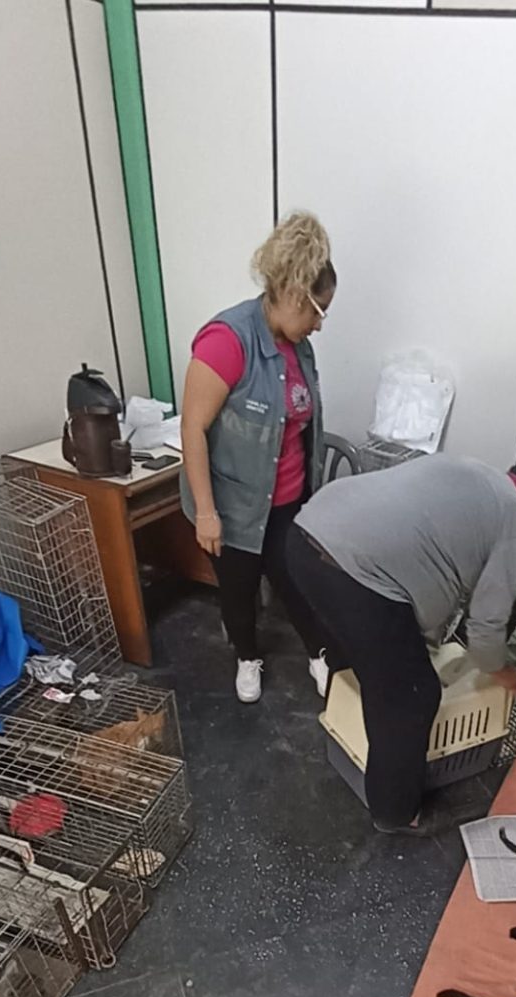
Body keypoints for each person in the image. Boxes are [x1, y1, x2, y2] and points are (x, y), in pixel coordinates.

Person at [286, 455, 516, 835]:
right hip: (351, 570)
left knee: (375, 666)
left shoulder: (477, 473)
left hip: (305, 536)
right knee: (413, 696)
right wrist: (505, 673)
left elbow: (424, 560)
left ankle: (358, 748)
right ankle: (397, 814)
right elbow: (485, 634)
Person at [180, 211, 336, 705]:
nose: (319, 325)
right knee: (239, 589)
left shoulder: (298, 346)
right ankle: (247, 657)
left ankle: (321, 656)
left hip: (287, 497)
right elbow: (192, 428)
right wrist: (207, 513)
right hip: (233, 504)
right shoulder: (227, 340)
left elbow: (300, 424)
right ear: (294, 295)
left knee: (299, 582)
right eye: (318, 312)